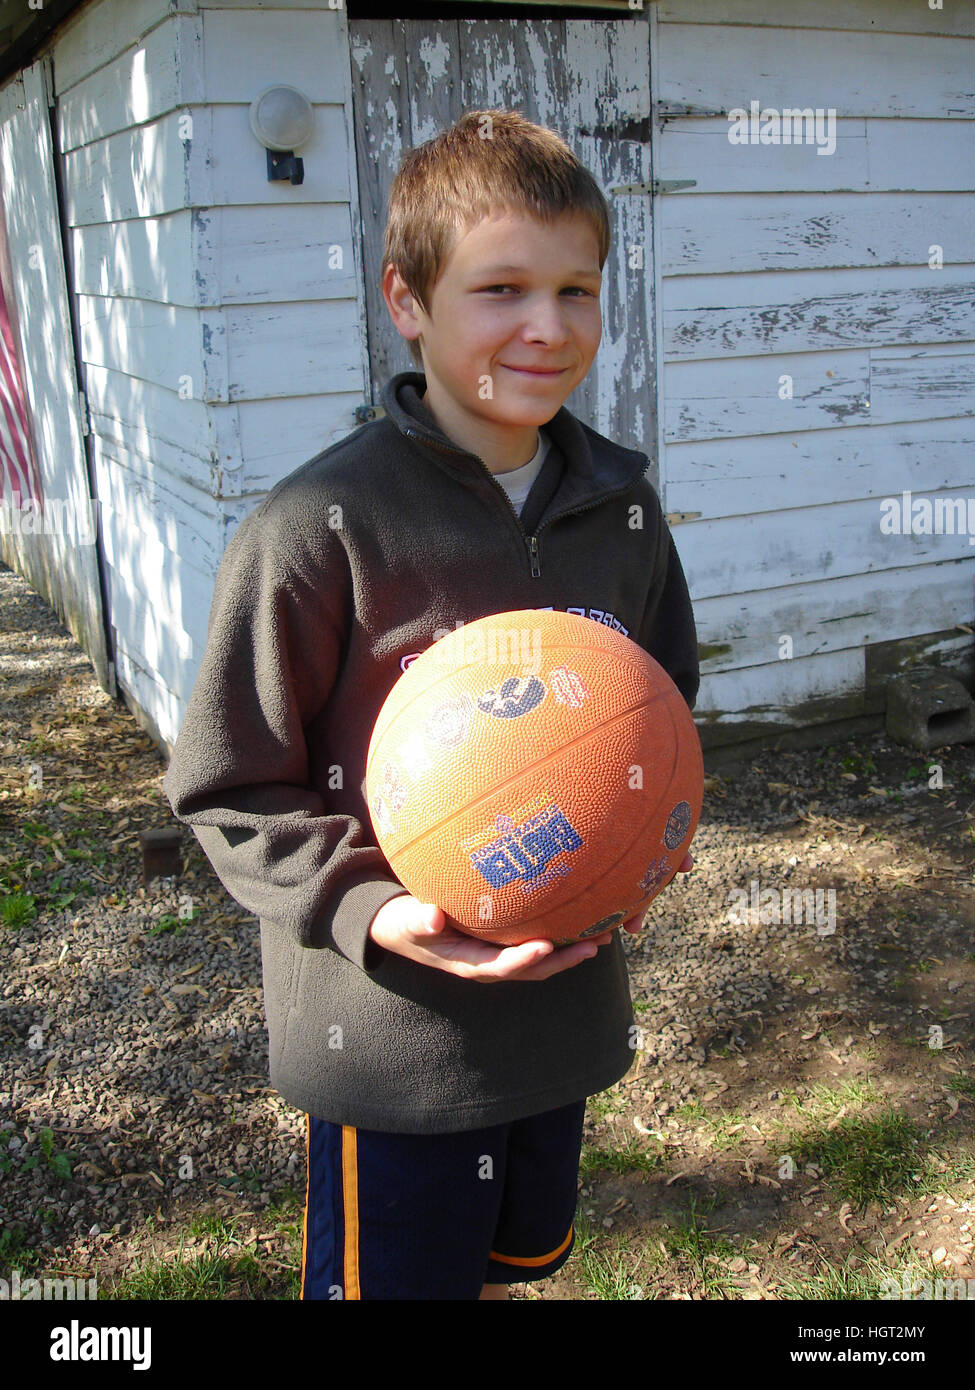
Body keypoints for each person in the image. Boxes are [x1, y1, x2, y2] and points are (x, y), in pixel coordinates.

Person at [163, 108, 699, 1301]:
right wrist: (366, 905)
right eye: (501, 288)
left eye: (577, 289)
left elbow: (661, 709)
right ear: (408, 301)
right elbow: (227, 783)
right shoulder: (313, 532)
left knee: (512, 1272)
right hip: (394, 1039)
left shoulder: (618, 507)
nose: (547, 328)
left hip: (559, 1020)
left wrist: (636, 850)